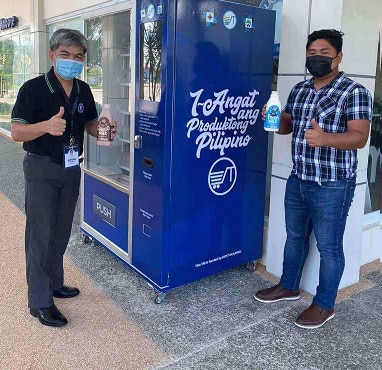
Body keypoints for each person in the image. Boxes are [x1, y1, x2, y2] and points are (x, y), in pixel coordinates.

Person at [254, 29, 372, 329]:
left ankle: (324, 304)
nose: (317, 59)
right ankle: (289, 286)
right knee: (295, 237)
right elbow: (286, 127)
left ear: (338, 57)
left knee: (329, 247)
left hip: (333, 184)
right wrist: (274, 117)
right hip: (299, 179)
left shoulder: (353, 91)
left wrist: (325, 137)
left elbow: (359, 138)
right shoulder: (300, 90)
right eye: (312, 54)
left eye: (324, 54)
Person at [11, 29, 116, 327]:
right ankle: (40, 301)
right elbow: (17, 132)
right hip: (42, 167)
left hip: (72, 168)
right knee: (40, 235)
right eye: (65, 55)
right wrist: (45, 126)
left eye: (78, 56)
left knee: (60, 231)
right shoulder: (33, 89)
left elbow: (90, 125)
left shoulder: (83, 89)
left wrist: (103, 131)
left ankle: (55, 282)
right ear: (52, 55)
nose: (72, 61)